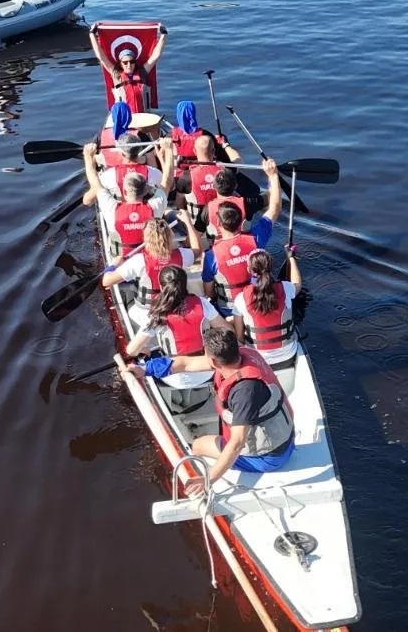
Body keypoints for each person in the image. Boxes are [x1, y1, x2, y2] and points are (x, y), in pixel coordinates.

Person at [129, 326, 296, 488]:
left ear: (213, 361)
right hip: (281, 438)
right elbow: (185, 364)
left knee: (198, 445)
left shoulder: (245, 391)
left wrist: (209, 479)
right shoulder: (241, 355)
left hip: (269, 457)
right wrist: (145, 369)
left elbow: (237, 442)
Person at [204, 159, 282, 302]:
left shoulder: (211, 256)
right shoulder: (255, 238)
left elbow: (209, 293)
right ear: (242, 219)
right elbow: (274, 208)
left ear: (219, 224)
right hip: (255, 302)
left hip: (228, 310)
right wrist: (273, 176)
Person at [230, 249, 301, 365]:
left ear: (249, 270)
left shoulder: (241, 298)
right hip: (288, 355)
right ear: (271, 267)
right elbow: (298, 284)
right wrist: (291, 258)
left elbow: (240, 337)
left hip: (258, 359)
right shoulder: (286, 288)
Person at [90, 31, 166, 113]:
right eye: (125, 62)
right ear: (121, 64)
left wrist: (163, 35)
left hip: (143, 116)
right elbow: (101, 57)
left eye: (132, 61)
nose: (129, 65)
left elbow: (155, 56)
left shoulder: (142, 72)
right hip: (124, 118)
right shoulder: (116, 75)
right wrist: (92, 35)